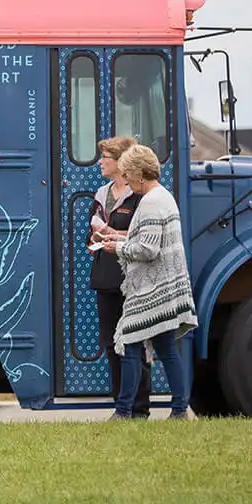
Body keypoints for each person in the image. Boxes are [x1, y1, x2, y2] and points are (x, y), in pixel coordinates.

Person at [98, 144, 197, 421]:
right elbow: (147, 241)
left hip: (151, 290)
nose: (126, 180)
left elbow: (148, 250)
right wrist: (119, 239)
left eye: (128, 174)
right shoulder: (164, 197)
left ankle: (123, 411)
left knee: (129, 343)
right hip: (168, 287)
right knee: (167, 350)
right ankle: (179, 410)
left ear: (140, 174)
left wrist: (115, 249)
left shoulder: (151, 203)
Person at [91, 136, 151, 419]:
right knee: (111, 345)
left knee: (134, 342)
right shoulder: (101, 194)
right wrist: (95, 236)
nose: (100, 161)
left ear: (121, 162)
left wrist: (116, 235)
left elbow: (146, 234)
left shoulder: (139, 195)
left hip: (132, 278)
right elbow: (92, 227)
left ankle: (139, 408)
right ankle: (121, 406)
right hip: (105, 276)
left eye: (105, 157)